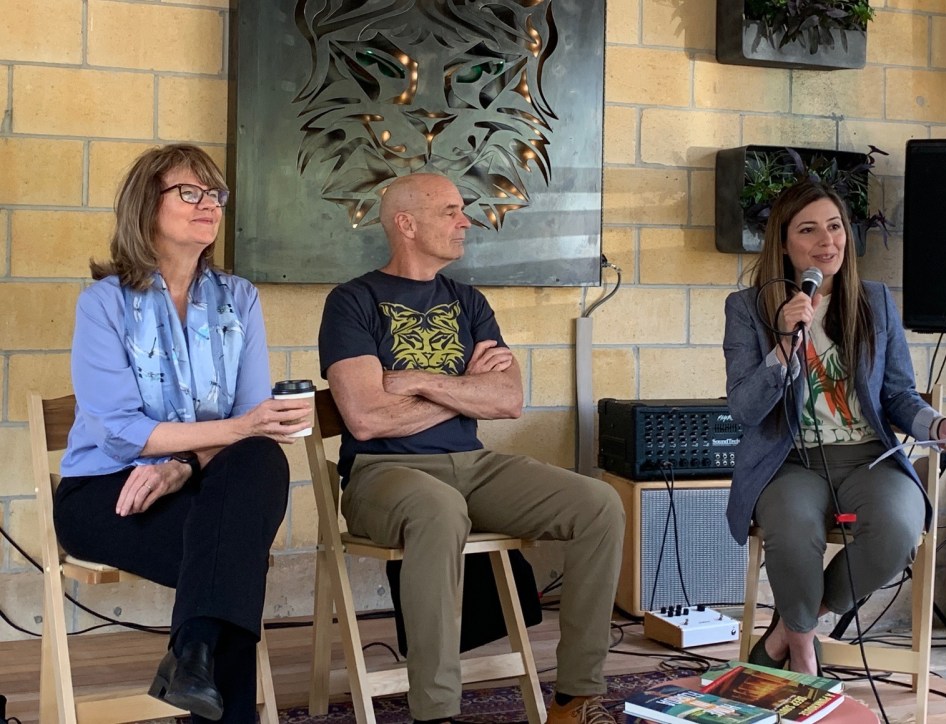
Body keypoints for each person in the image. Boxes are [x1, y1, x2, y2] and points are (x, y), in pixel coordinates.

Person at [318, 172, 625, 724]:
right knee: (438, 509)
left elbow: (508, 400)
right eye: (451, 212)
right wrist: (464, 388)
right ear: (406, 224)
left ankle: (577, 696)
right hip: (383, 473)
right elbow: (363, 419)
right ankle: (435, 712)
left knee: (598, 504)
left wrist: (412, 380)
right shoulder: (352, 301)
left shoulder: (468, 300)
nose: (466, 222)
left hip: (474, 466)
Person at [54, 144, 312, 722]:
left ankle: (191, 654)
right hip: (105, 492)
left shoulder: (239, 299)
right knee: (233, 557)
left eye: (214, 194)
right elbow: (122, 433)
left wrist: (186, 464)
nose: (209, 205)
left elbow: (253, 428)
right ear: (147, 207)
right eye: (189, 192)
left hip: (202, 483)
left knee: (261, 464)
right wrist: (232, 433)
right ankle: (197, 658)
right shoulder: (104, 303)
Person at [723, 179, 946, 676]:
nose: (827, 241)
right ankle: (802, 655)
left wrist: (938, 424)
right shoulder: (747, 308)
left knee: (900, 527)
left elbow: (899, 395)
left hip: (868, 458)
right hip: (788, 461)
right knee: (792, 531)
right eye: (809, 230)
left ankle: (787, 632)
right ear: (783, 243)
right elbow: (743, 410)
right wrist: (782, 347)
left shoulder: (875, 301)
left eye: (835, 227)